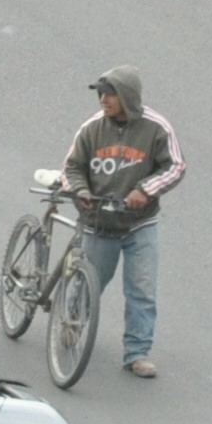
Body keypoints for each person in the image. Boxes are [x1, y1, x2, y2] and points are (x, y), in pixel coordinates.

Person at [59, 63, 180, 377]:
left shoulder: (156, 128)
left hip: (140, 224)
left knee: (141, 290)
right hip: (100, 223)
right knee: (89, 285)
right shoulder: (92, 128)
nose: (103, 100)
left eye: (110, 94)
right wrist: (82, 191)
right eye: (101, 94)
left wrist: (145, 189)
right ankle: (72, 324)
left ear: (127, 96)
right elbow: (71, 168)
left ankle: (137, 353)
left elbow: (175, 166)